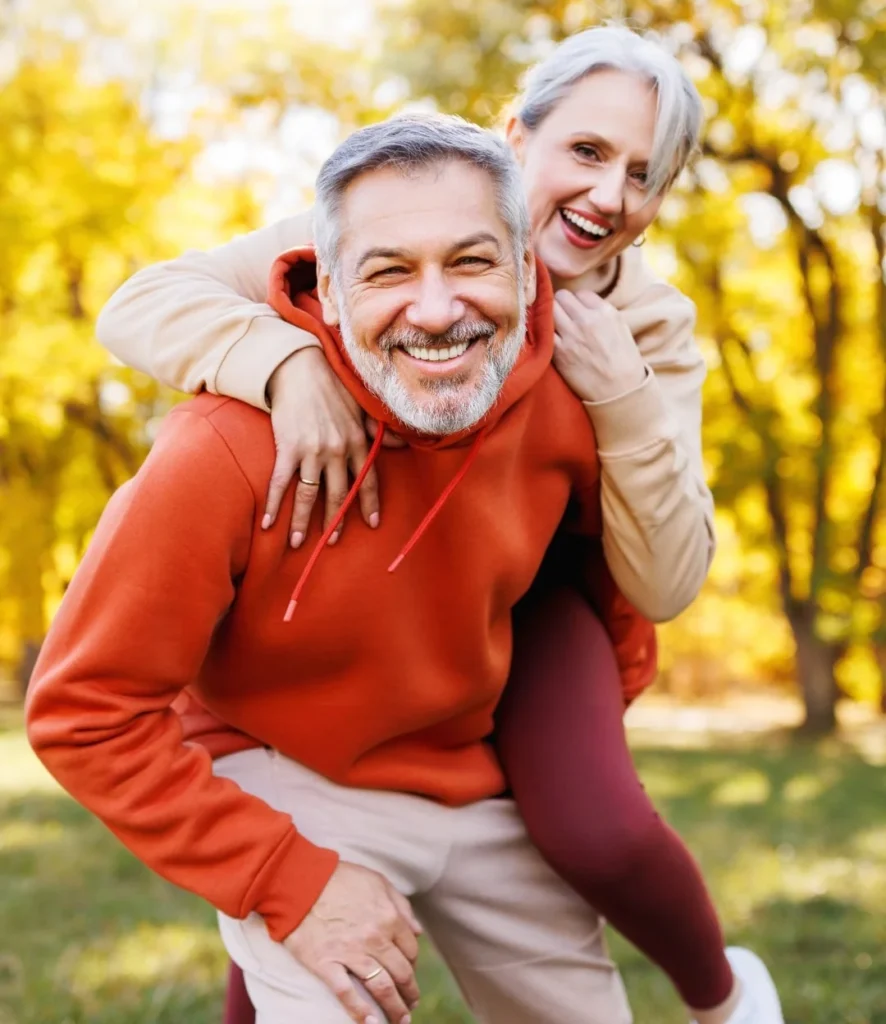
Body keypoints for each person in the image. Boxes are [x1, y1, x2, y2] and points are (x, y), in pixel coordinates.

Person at [96, 26, 784, 1024]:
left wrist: (623, 396)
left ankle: (726, 996)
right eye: (587, 151)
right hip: (377, 564)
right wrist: (283, 363)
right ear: (517, 136)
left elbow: (669, 577)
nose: (608, 194)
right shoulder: (403, 215)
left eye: (644, 175)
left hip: (537, 586)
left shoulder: (650, 327)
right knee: (310, 805)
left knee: (593, 828)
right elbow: (142, 304)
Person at [28, 112, 653, 1024]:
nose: (434, 310)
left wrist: (581, 748)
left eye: (472, 262)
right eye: (389, 271)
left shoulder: (563, 413)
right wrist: (286, 876)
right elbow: (83, 713)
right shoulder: (221, 448)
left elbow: (606, 593)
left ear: (526, 271)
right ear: (327, 285)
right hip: (282, 772)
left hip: (472, 781)